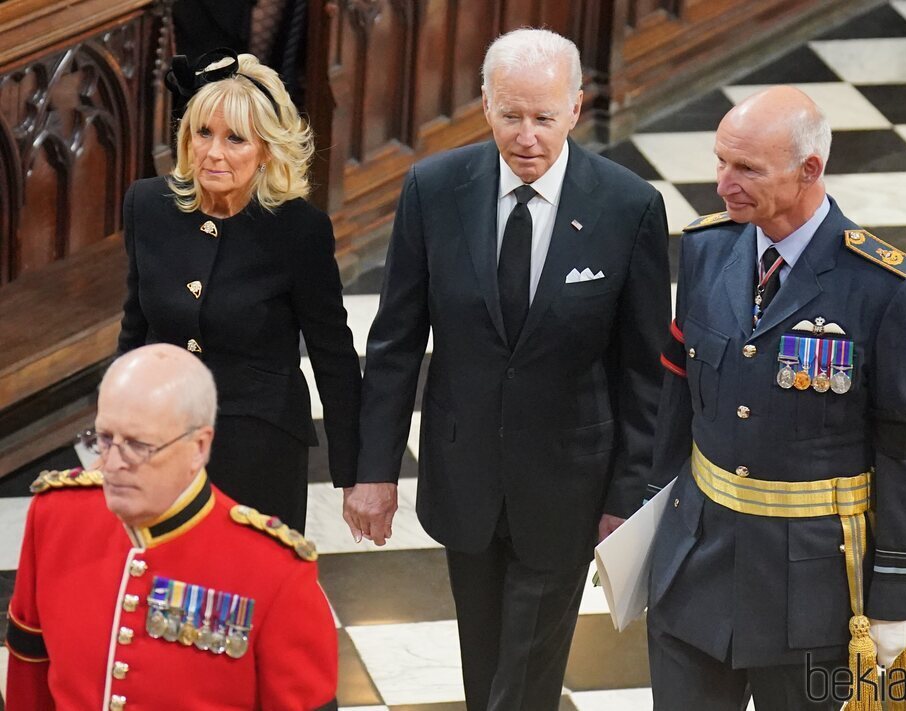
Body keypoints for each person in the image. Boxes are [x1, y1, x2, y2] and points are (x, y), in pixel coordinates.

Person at [344, 28, 671, 711]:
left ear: (576, 109)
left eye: (545, 118)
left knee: (524, 671)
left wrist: (627, 495)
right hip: (465, 477)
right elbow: (396, 340)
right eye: (511, 115)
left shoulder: (627, 205)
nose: (527, 136)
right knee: (485, 654)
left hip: (569, 486)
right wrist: (374, 471)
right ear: (485, 104)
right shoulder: (433, 189)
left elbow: (644, 372)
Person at [645, 86, 906, 710]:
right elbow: (679, 398)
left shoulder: (887, 290)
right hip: (695, 567)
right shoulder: (705, 250)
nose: (723, 183)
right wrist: (647, 517)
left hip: (814, 595)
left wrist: (899, 594)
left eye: (747, 168)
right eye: (720, 160)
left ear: (811, 169)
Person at [4, 344, 338, 710]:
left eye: (137, 445)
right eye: (104, 438)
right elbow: (29, 671)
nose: (112, 463)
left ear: (199, 446)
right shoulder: (56, 517)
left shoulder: (275, 574)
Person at [117, 49, 361, 532]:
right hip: (161, 442)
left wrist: (358, 475)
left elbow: (334, 356)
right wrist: (115, 433)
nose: (214, 152)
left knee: (246, 599)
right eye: (203, 133)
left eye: (236, 139)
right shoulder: (147, 205)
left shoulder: (299, 231)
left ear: (267, 150)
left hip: (259, 449)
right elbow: (134, 328)